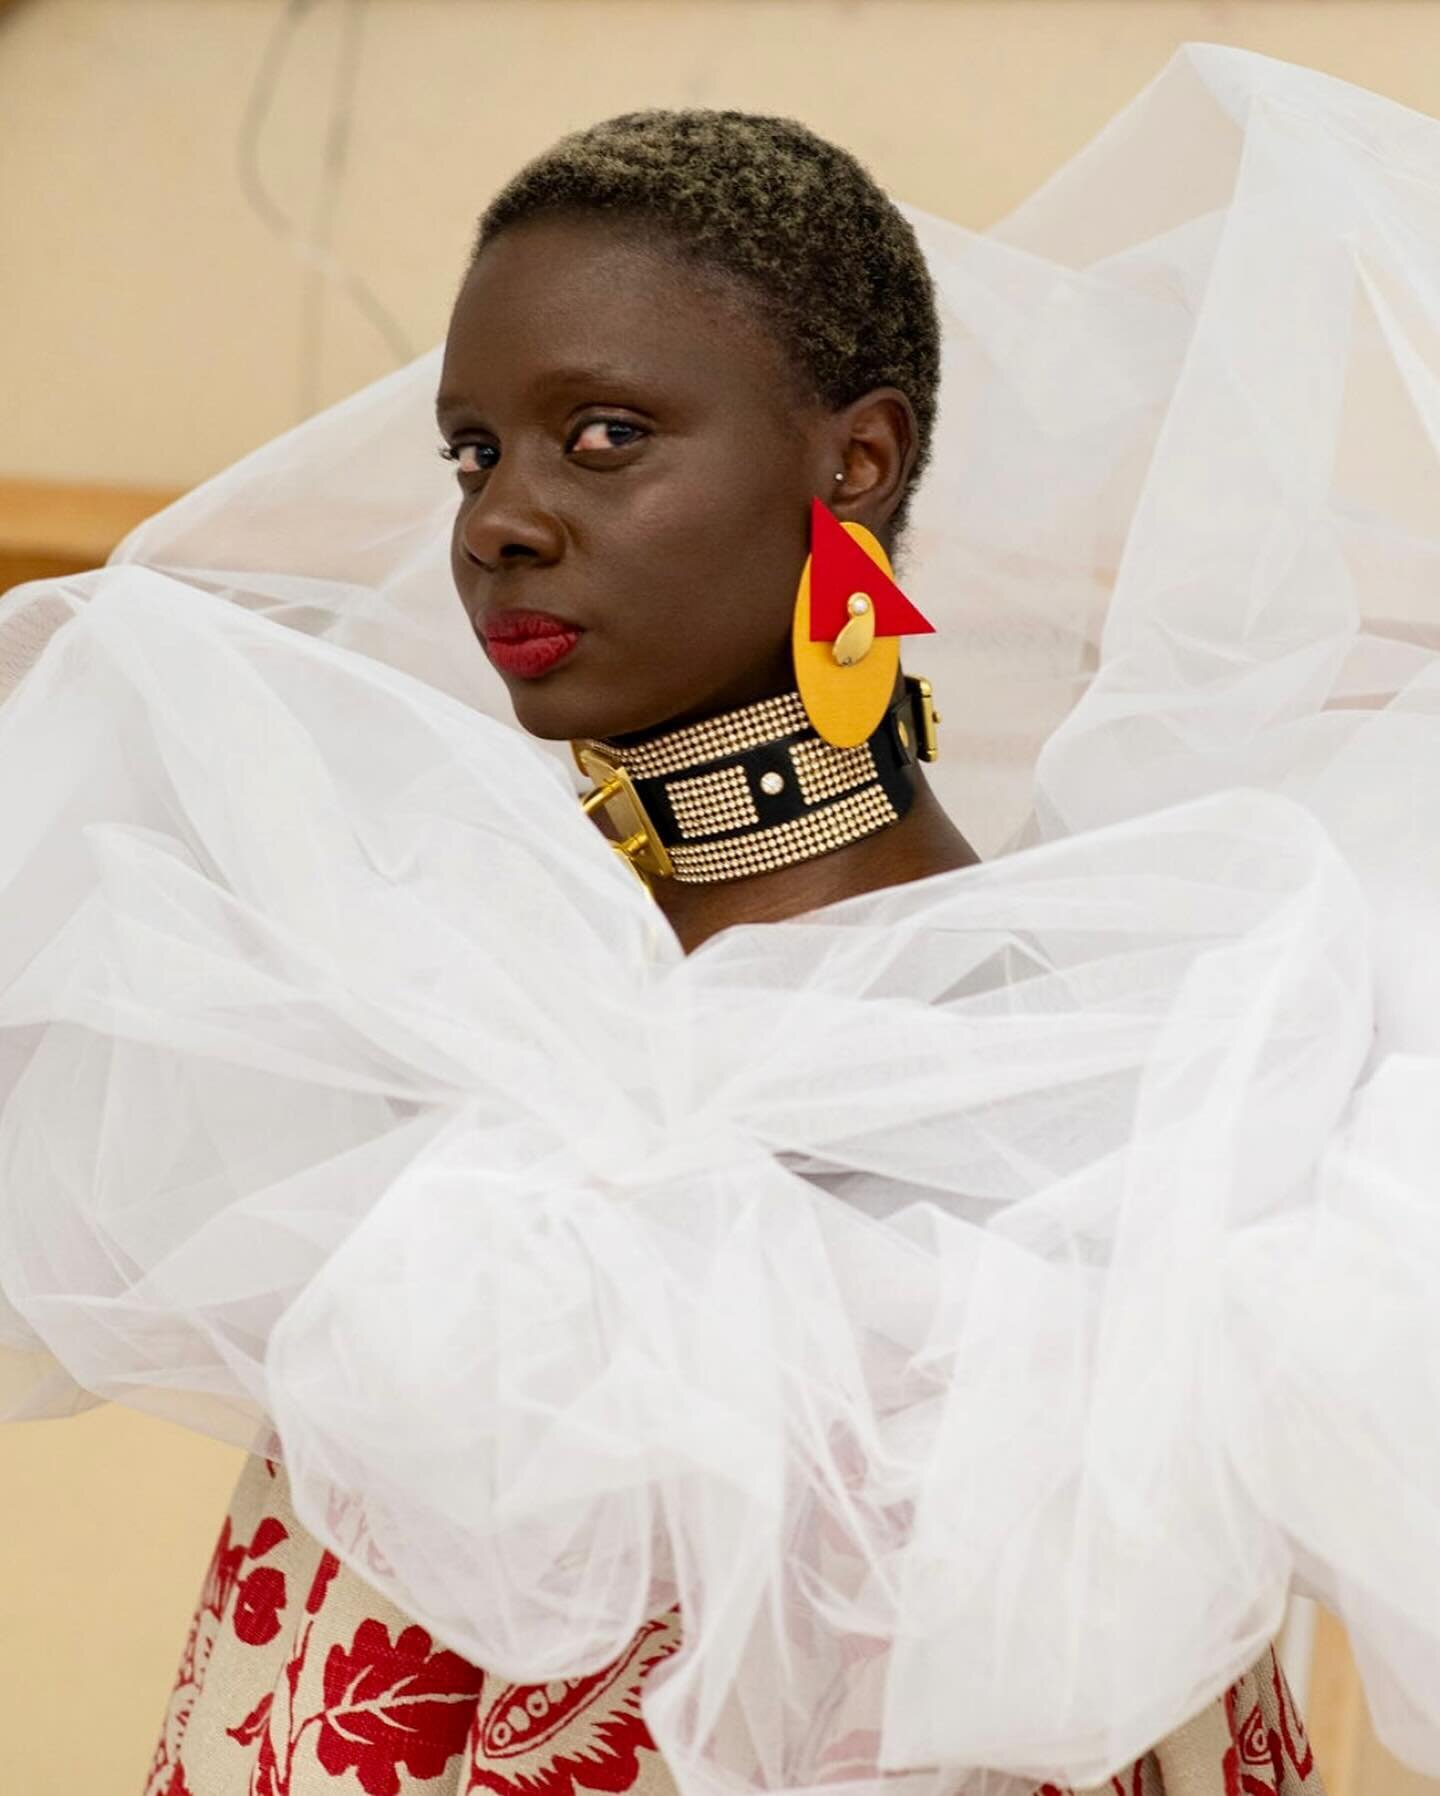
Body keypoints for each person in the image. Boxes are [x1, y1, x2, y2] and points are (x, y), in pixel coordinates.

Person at [3, 42, 1440, 1796]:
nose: (503, 523)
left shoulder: (1068, 1065)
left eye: (604, 437)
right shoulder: (453, 1015)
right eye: (473, 454)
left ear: (857, 462)